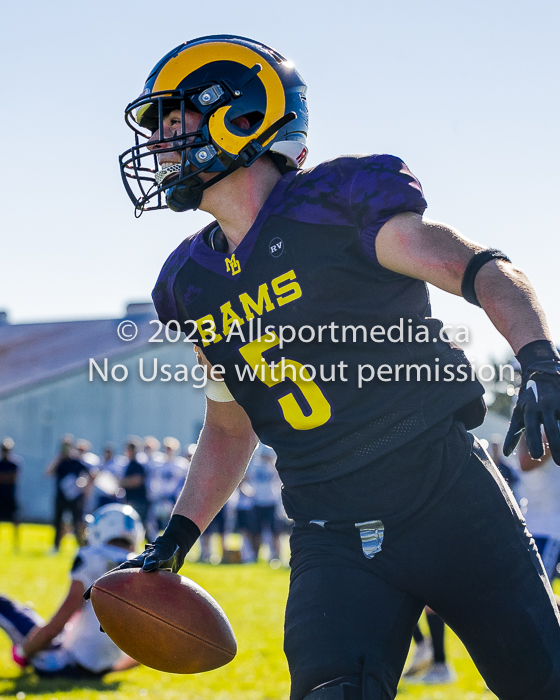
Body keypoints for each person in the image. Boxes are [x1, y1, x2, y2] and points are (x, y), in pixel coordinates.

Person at [105, 35, 560, 699]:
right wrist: (177, 534)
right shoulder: (190, 283)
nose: (158, 142)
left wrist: (539, 359)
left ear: (241, 113)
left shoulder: (335, 206)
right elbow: (230, 427)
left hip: (446, 495)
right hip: (330, 529)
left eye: (175, 119)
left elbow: (483, 269)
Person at [1, 504, 143, 678]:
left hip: (67, 662)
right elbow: (148, 647)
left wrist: (23, 654)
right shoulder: (143, 568)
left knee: (9, 609)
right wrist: (109, 668)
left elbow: (56, 626)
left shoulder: (91, 557)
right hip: (103, 667)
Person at [517, 433, 560, 581]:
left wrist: (524, 430)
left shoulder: (552, 420)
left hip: (549, 529)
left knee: (537, 586)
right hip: (528, 522)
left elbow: (527, 463)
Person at [46, 436, 92, 551]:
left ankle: (81, 548)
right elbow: (48, 472)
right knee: (58, 522)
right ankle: (56, 546)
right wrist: (57, 459)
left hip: (74, 498)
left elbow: (91, 475)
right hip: (61, 497)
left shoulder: (76, 462)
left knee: (77, 523)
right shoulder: (60, 462)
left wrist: (83, 485)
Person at [119, 437, 149, 530]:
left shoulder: (137, 464)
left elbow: (137, 480)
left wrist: (121, 483)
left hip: (138, 500)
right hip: (131, 498)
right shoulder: (129, 464)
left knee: (139, 525)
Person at [0, 438, 21, 551]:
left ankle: (16, 545)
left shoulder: (14, 463)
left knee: (15, 520)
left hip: (10, 495)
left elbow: (13, 478)